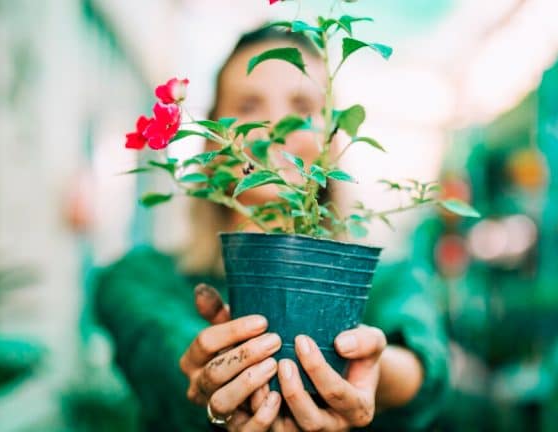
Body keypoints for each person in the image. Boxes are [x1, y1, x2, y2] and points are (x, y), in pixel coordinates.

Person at [96, 26, 449, 431]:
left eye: (302, 106)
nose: (275, 126)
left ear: (333, 141)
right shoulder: (143, 279)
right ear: (213, 142)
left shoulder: (382, 279)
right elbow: (161, 346)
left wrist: (369, 370)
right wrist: (211, 374)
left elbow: (428, 365)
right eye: (248, 106)